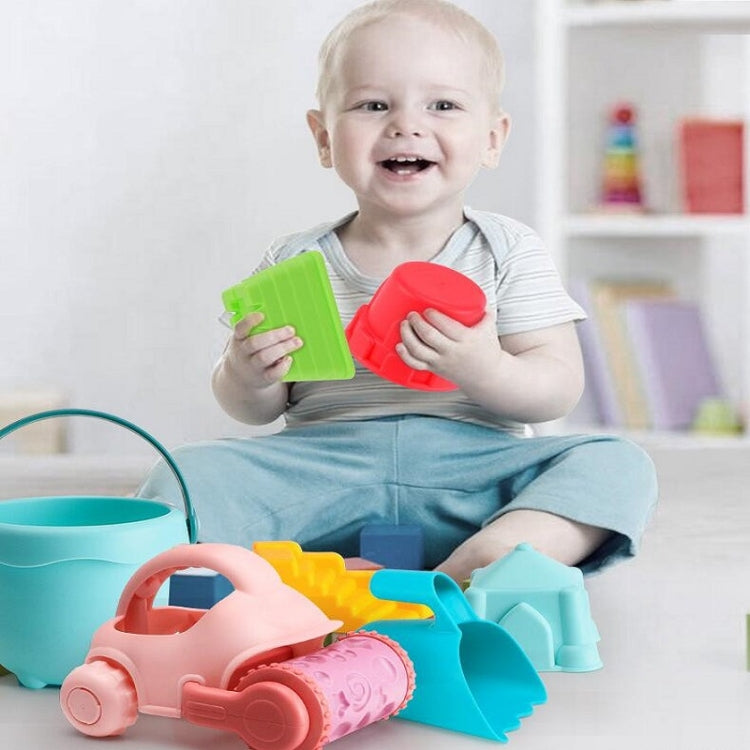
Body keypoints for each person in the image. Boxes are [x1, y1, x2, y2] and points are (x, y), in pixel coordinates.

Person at [139, 0, 657, 583]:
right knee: (187, 472)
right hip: (324, 473)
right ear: (324, 137)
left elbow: (557, 389)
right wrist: (247, 373)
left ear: (491, 137)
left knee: (616, 463)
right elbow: (255, 412)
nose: (405, 125)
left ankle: (489, 558)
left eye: (443, 105)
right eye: (373, 104)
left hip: (471, 474)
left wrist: (485, 368)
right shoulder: (294, 260)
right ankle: (232, 576)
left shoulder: (507, 249)